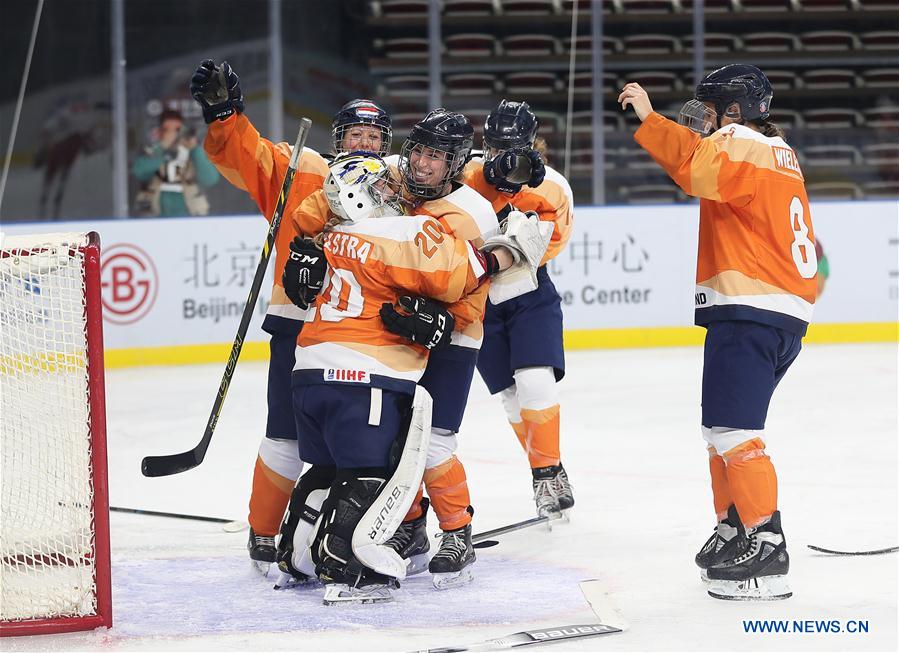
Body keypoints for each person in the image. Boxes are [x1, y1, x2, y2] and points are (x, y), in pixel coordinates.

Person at [273, 152, 550, 604]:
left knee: (339, 466)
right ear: (358, 198)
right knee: (373, 471)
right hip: (367, 368)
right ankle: (350, 568)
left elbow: (314, 219)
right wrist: (505, 253)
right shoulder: (397, 227)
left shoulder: (334, 233)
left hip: (312, 369)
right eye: (380, 189)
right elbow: (452, 275)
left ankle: (299, 556)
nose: (393, 190)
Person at [619, 64, 818, 601]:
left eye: (709, 106)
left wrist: (652, 121)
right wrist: (656, 122)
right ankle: (734, 526)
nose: (702, 115)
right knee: (722, 432)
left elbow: (694, 172)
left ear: (732, 110)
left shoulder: (738, 141)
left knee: (733, 433)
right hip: (774, 311)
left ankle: (765, 541)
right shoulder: (772, 148)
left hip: (749, 307)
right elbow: (702, 161)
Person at [191, 57, 393, 572]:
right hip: (299, 325)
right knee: (283, 431)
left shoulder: (399, 187)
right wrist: (225, 114)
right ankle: (263, 530)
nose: (365, 144)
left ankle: (381, 526)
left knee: (372, 442)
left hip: (371, 333)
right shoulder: (303, 167)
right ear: (338, 137)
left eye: (375, 137)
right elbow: (247, 157)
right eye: (357, 134)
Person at [379, 110, 503, 589]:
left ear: (454, 163)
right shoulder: (396, 190)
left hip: (452, 337)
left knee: (434, 441)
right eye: (417, 151)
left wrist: (447, 318)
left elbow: (481, 277)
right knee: (395, 437)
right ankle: (410, 529)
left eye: (435, 155)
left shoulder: (473, 211)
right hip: (398, 333)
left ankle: (458, 531)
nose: (421, 163)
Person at [462, 100, 575, 518]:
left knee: (534, 380)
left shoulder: (552, 186)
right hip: (477, 302)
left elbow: (546, 246)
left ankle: (546, 474)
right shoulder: (467, 176)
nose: (500, 153)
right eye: (494, 145)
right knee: (511, 398)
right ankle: (546, 468)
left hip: (528, 294)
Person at [133, 108, 220, 216]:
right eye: (167, 130)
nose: (173, 134)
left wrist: (194, 149)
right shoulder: (152, 151)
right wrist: (162, 146)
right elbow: (139, 172)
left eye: (177, 130)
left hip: (189, 212)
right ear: (159, 131)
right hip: (155, 213)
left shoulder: (192, 153)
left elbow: (210, 179)